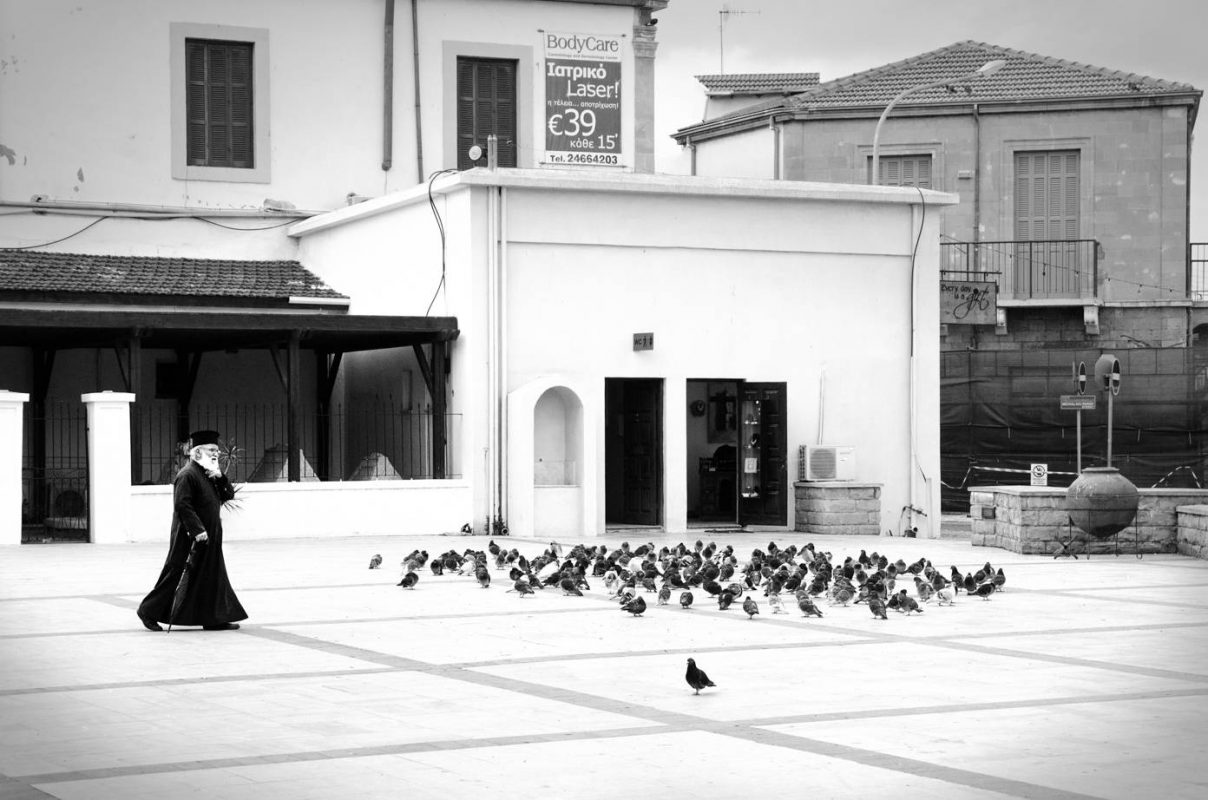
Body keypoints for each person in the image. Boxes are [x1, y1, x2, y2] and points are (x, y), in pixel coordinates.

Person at [137, 430, 247, 632]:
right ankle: (148, 611)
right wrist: (197, 530)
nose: (216, 454)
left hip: (211, 535)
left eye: (217, 450)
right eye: (211, 450)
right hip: (190, 536)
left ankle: (214, 619)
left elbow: (228, 495)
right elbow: (182, 505)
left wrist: (221, 477)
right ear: (197, 453)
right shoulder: (187, 474)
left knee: (212, 576)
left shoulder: (210, 472)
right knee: (176, 573)